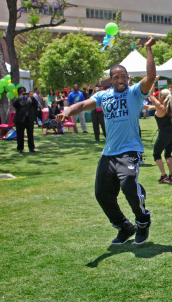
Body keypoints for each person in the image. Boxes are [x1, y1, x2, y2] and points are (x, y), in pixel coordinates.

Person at [56, 36, 157, 245]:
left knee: (129, 184)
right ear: (111, 80)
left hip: (130, 150)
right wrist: (67, 110)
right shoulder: (104, 95)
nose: (121, 80)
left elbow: (151, 76)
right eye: (116, 77)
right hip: (109, 153)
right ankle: (124, 226)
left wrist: (148, 50)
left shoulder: (135, 93)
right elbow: (83, 105)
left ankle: (142, 221)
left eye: (124, 76)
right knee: (102, 194)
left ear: (128, 78)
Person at [147, 77, 172, 183]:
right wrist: (149, 107)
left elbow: (150, 94)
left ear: (161, 97)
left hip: (164, 133)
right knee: (168, 154)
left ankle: (163, 175)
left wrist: (153, 81)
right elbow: (155, 107)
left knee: (156, 154)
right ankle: (171, 174)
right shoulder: (168, 107)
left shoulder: (160, 107)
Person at [13, 88, 37, 153]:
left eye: (24, 91)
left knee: (30, 134)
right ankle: (20, 148)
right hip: (20, 120)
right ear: (19, 93)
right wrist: (20, 97)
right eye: (21, 92)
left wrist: (32, 97)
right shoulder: (17, 99)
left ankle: (31, 148)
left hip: (29, 119)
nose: (23, 93)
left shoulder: (29, 98)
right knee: (20, 134)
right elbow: (15, 104)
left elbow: (36, 104)